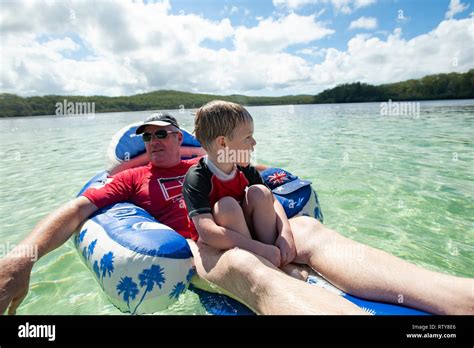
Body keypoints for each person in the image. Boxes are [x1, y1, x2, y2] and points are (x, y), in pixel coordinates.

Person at [0, 112, 472, 315]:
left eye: (164, 134)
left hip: (245, 226)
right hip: (205, 247)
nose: (155, 142)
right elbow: (73, 209)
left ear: (180, 137)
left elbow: (256, 165)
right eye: (148, 138)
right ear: (141, 146)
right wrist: (21, 258)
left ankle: (458, 300)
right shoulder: (131, 179)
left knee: (310, 229)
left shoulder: (200, 162)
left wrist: (278, 179)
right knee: (246, 265)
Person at [183, 100, 298, 272]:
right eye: (247, 137)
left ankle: (275, 255)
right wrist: (257, 248)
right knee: (227, 206)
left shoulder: (244, 169)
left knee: (260, 192)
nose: (254, 143)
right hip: (218, 243)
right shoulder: (197, 177)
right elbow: (207, 231)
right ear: (222, 143)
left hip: (247, 236)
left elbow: (273, 202)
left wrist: (285, 234)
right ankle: (263, 260)